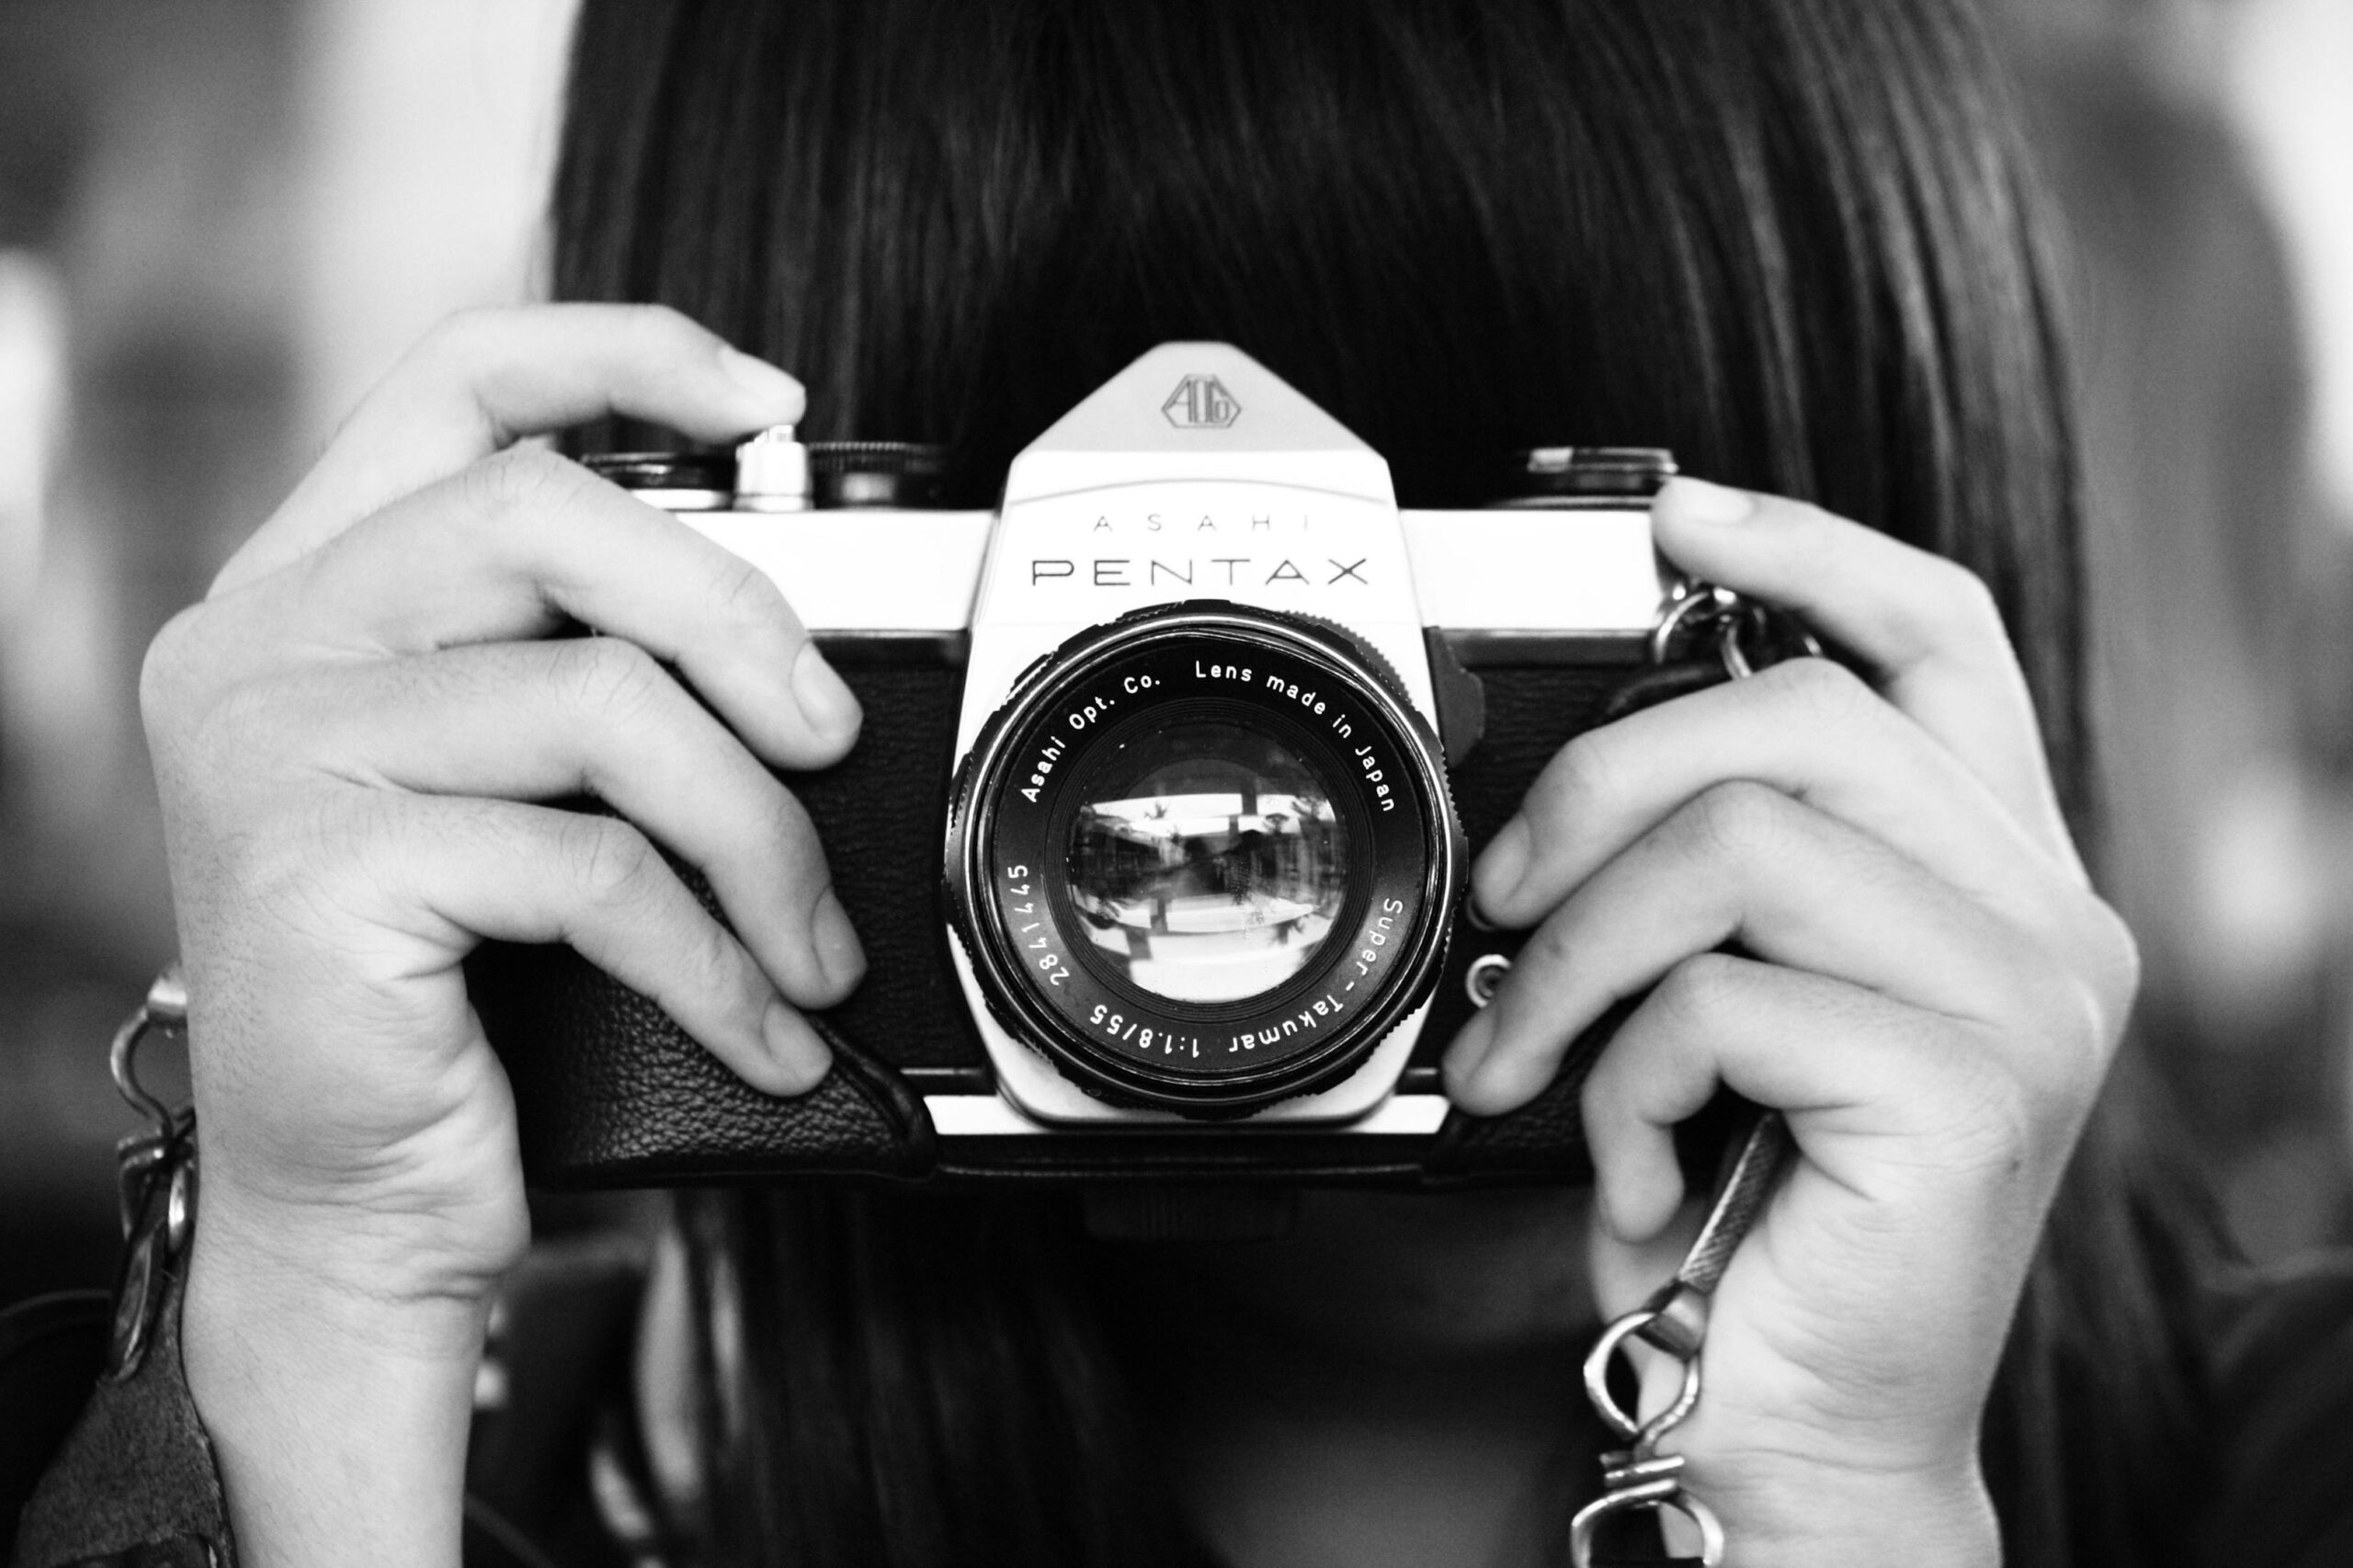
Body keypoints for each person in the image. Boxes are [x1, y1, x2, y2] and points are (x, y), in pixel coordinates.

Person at [15, 1, 2353, 1566]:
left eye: (1471, 641)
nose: (1367, 866)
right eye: (1086, 666)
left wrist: (1844, 1498)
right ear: (726, 640)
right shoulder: (437, 1462)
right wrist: (312, 1347)